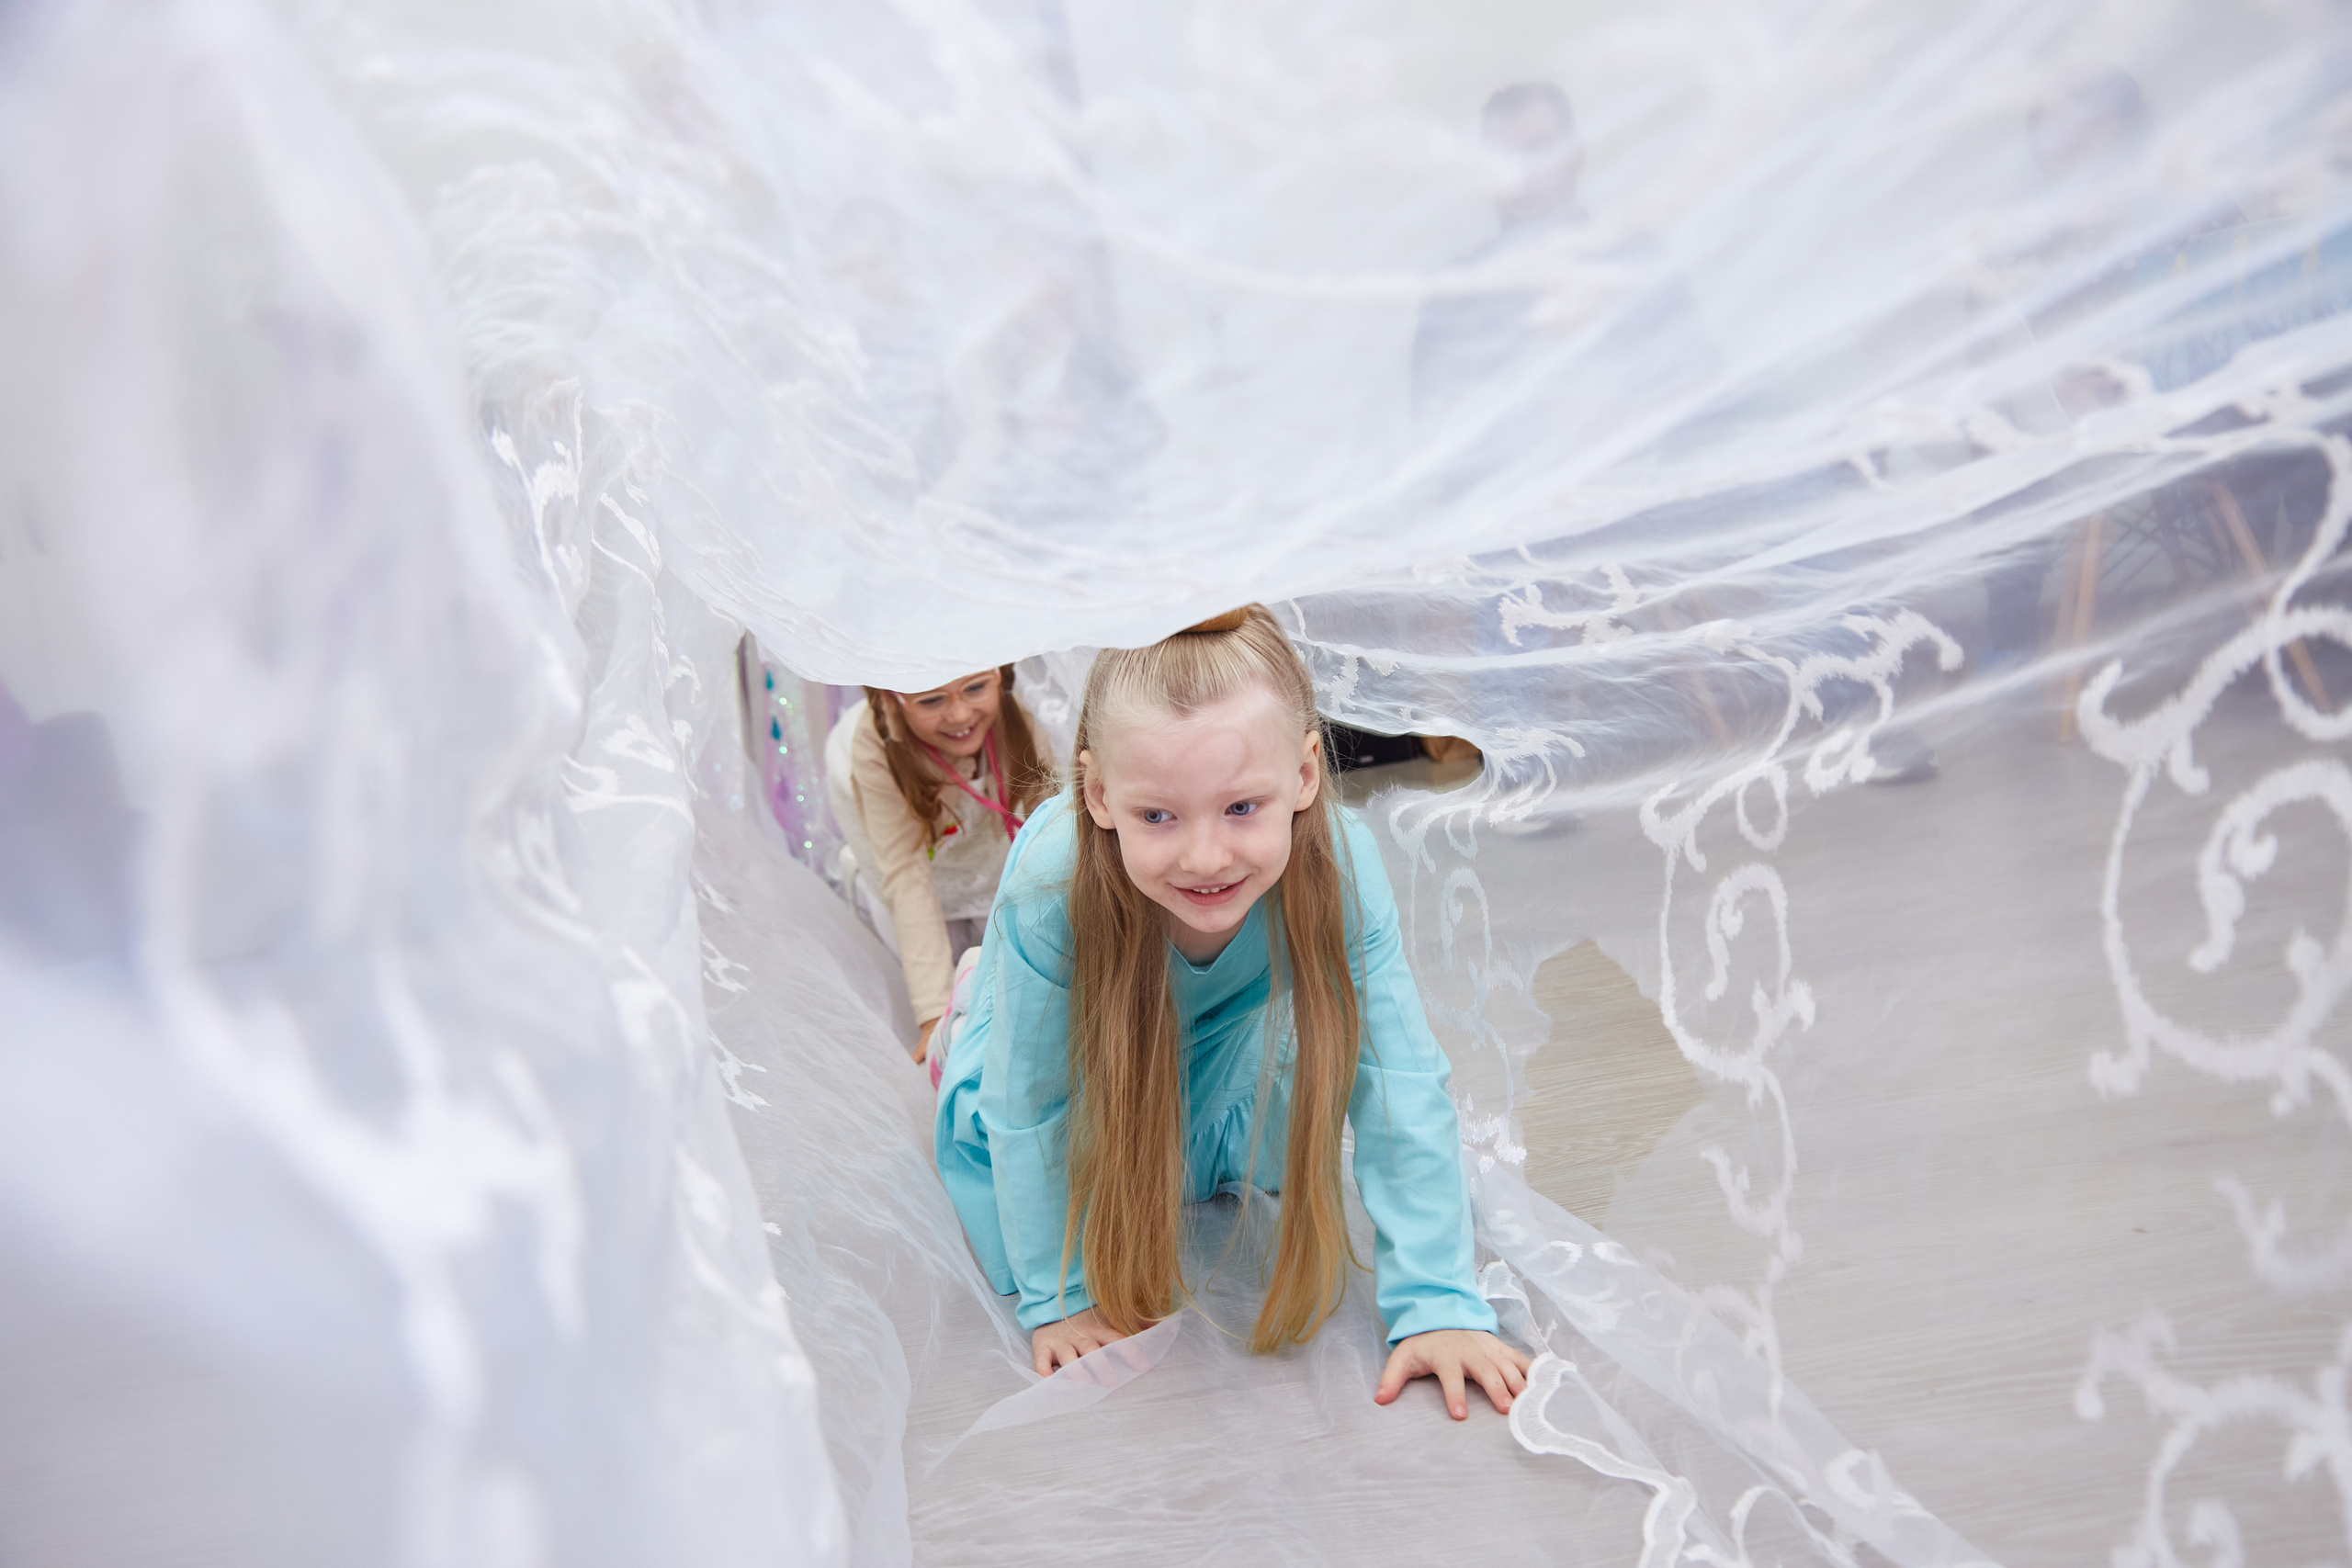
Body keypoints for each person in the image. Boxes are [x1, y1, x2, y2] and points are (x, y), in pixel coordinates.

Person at [933, 607, 1529, 1420]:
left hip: (1218, 1036)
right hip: (1082, 1046)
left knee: (1224, 1159)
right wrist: (1062, 1295)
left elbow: (1398, 1077)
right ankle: (975, 997)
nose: (1205, 857)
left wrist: (1438, 1303)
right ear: (1098, 794)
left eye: (1242, 807)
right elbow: (1028, 1100)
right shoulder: (1051, 882)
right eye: (1157, 815)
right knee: (1052, 1137)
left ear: (1306, 775)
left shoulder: (1342, 865)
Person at [826, 667, 1052, 1061]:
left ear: (999, 675)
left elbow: (1053, 828)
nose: (960, 715)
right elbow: (905, 873)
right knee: (938, 976)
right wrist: (933, 1014)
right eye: (932, 700)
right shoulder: (873, 745)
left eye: (975, 687)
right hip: (904, 853)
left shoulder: (1019, 715)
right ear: (892, 698)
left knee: (1013, 955)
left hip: (981, 844)